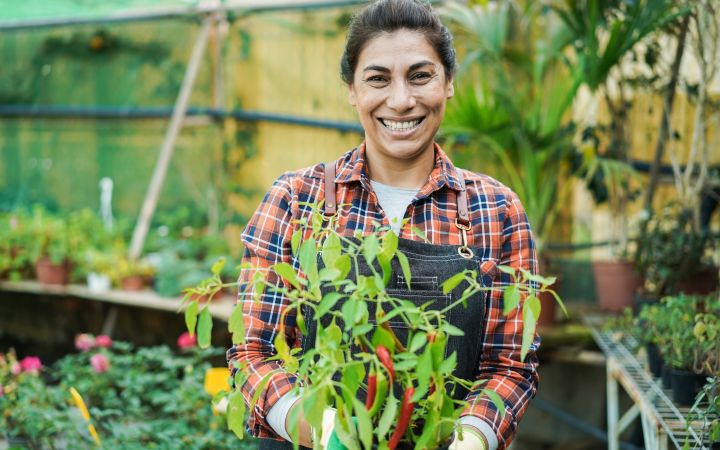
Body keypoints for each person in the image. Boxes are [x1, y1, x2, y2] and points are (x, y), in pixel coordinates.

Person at [226, 1, 540, 449]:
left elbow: (510, 366)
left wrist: (472, 438)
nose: (400, 100)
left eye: (420, 75)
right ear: (352, 90)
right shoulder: (297, 200)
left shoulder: (496, 211)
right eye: (377, 78)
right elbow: (253, 353)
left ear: (448, 83)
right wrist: (321, 429)